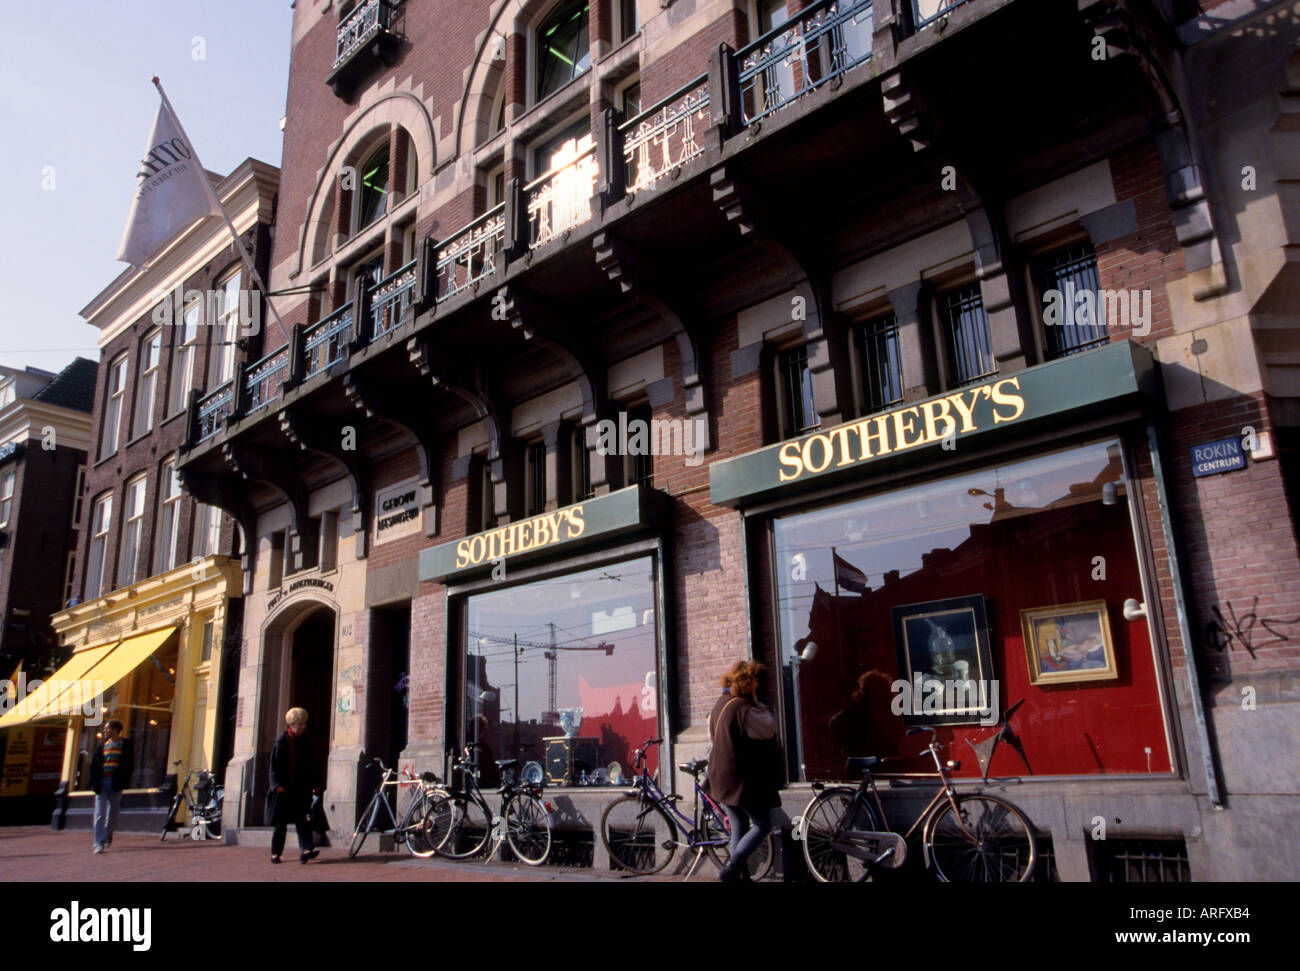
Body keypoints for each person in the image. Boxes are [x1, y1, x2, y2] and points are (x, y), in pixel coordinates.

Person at [708, 659, 781, 883]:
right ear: (749, 682)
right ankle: (731, 868)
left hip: (719, 778)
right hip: (738, 778)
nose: (758, 685)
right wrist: (758, 702)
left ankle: (742, 876)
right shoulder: (744, 708)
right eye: (756, 681)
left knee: (738, 823)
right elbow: (768, 728)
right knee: (762, 824)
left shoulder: (720, 703)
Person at [267, 707, 321, 864]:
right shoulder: (281, 742)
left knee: (302, 820)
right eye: (300, 724)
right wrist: (276, 785)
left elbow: (312, 764)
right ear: (291, 724)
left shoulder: (307, 741)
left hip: (301, 788)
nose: (303, 727)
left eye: (304, 724)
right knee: (280, 824)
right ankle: (275, 853)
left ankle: (306, 850)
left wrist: (315, 783)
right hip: (284, 789)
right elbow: (274, 766)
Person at [89, 719, 134, 854]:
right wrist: (93, 781)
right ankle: (98, 843)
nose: (104, 731)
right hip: (102, 782)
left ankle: (108, 833)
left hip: (115, 782)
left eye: (107, 728)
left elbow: (129, 765)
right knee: (99, 813)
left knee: (113, 812)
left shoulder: (125, 745)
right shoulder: (102, 746)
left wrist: (124, 780)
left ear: (114, 730)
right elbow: (94, 765)